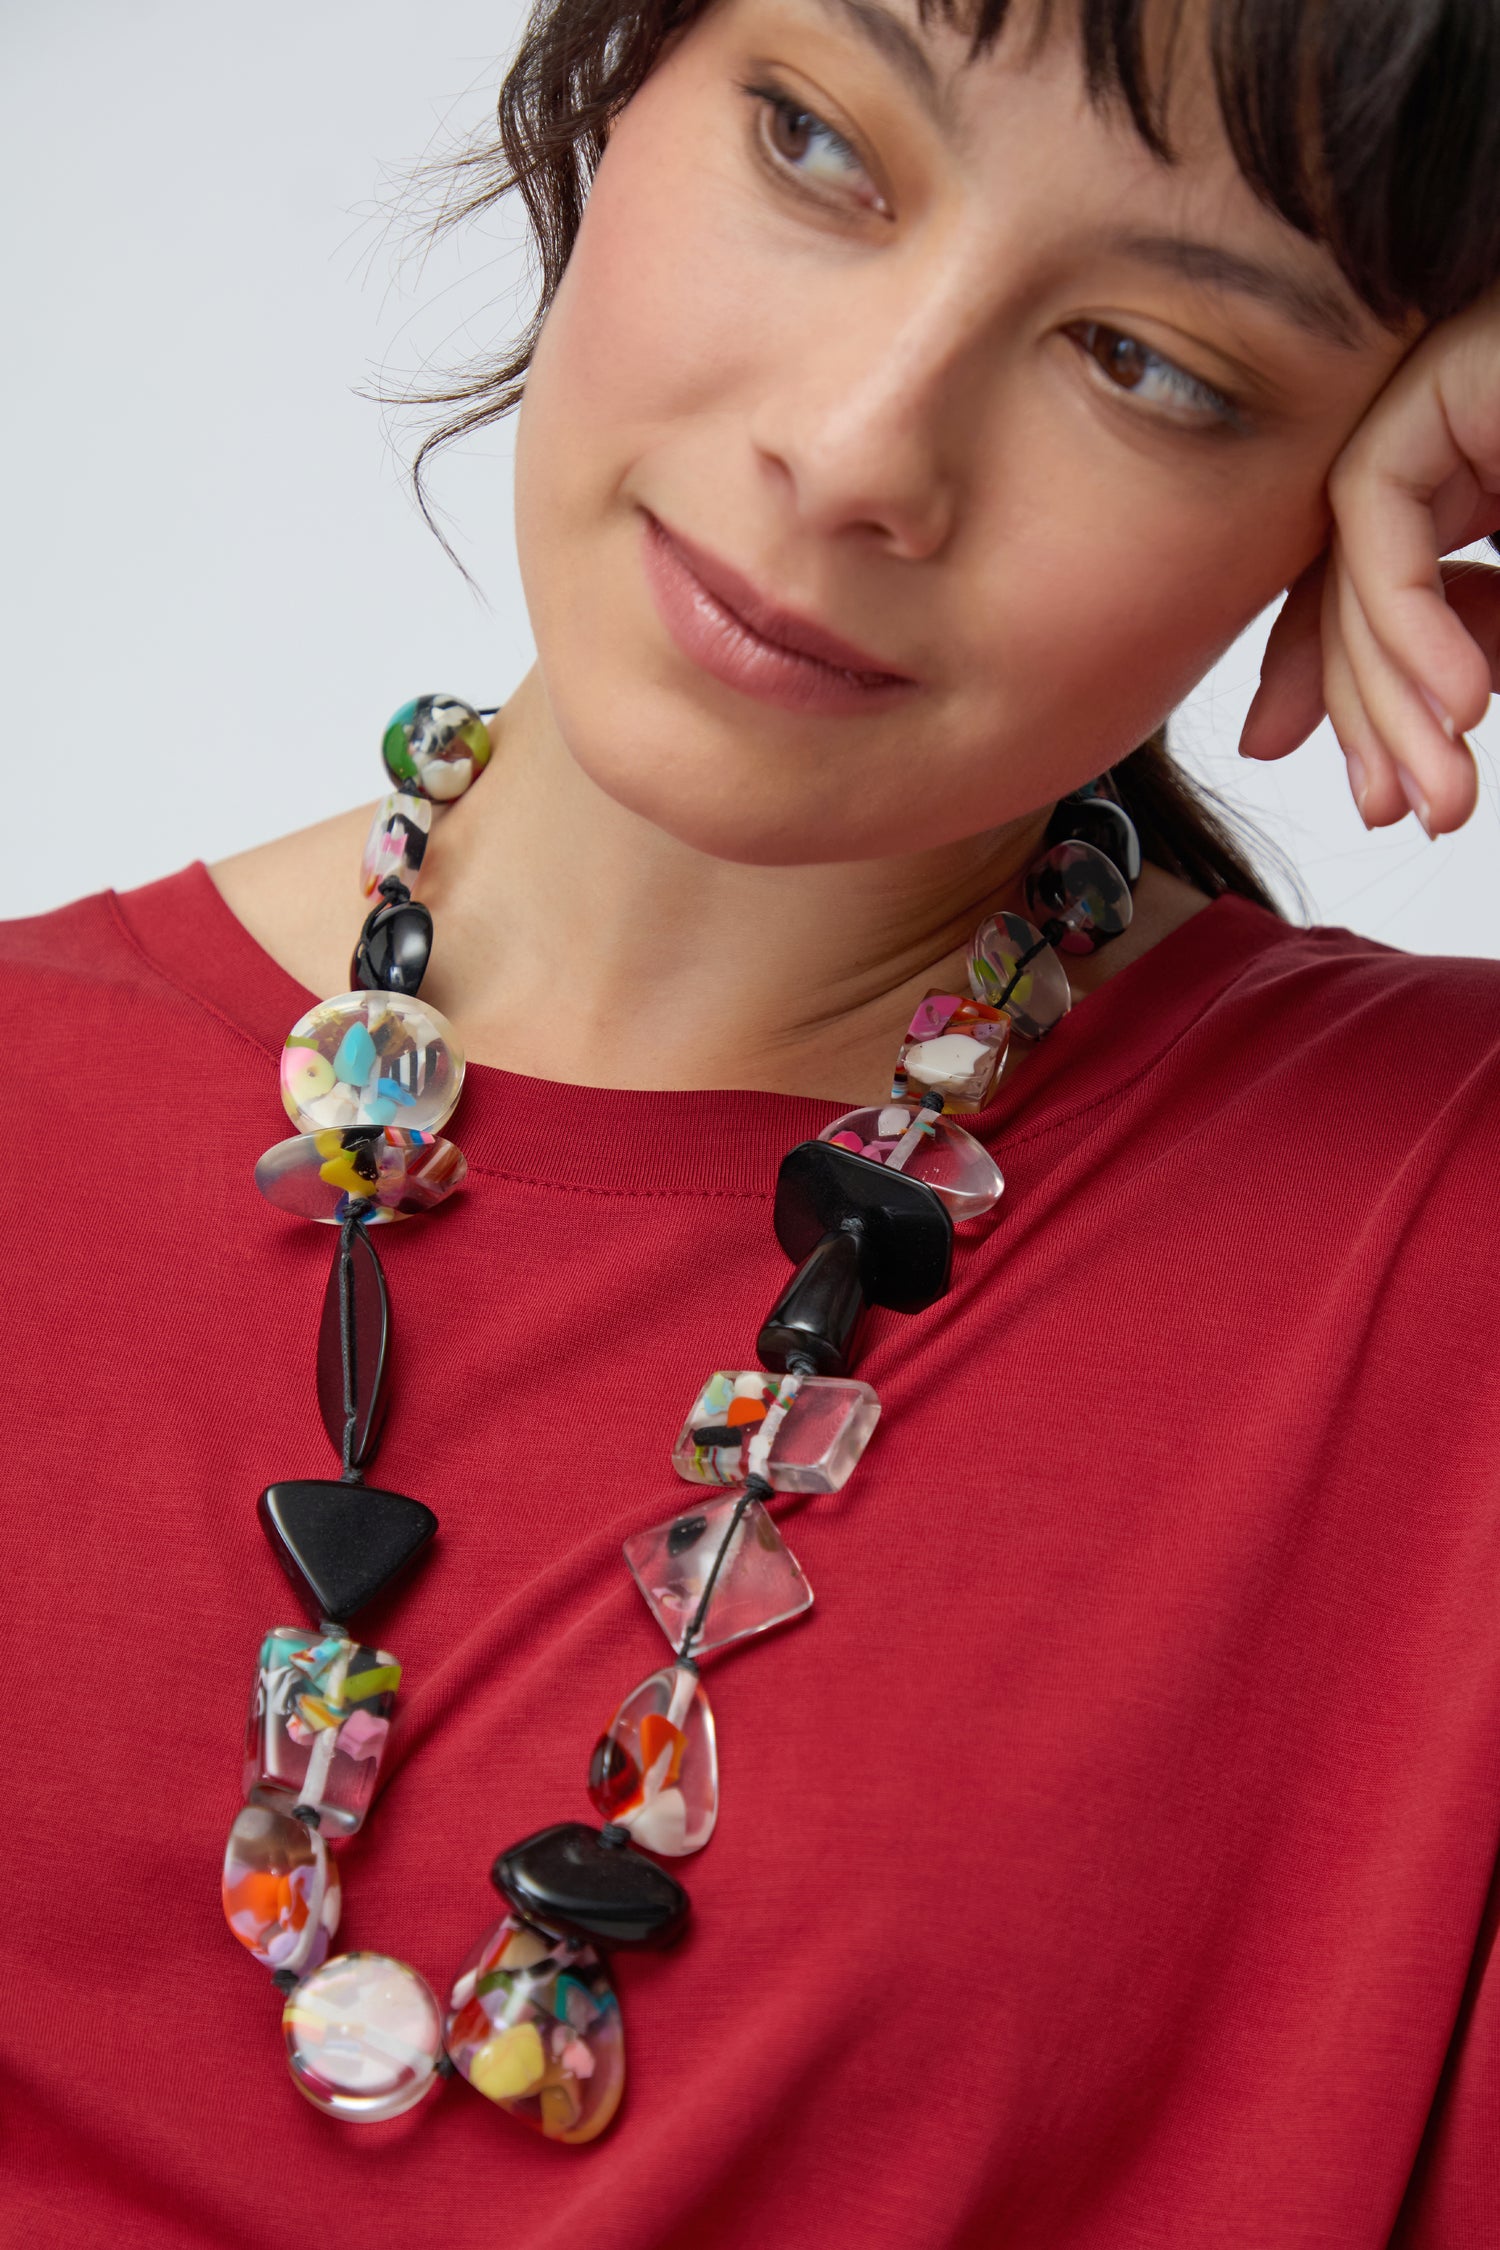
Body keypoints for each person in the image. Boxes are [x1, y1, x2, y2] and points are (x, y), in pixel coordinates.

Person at [4, 0, 1499, 2241]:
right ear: (615, 84)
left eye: (1154, 364)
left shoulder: (1436, 1241)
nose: (858, 445)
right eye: (815, 143)